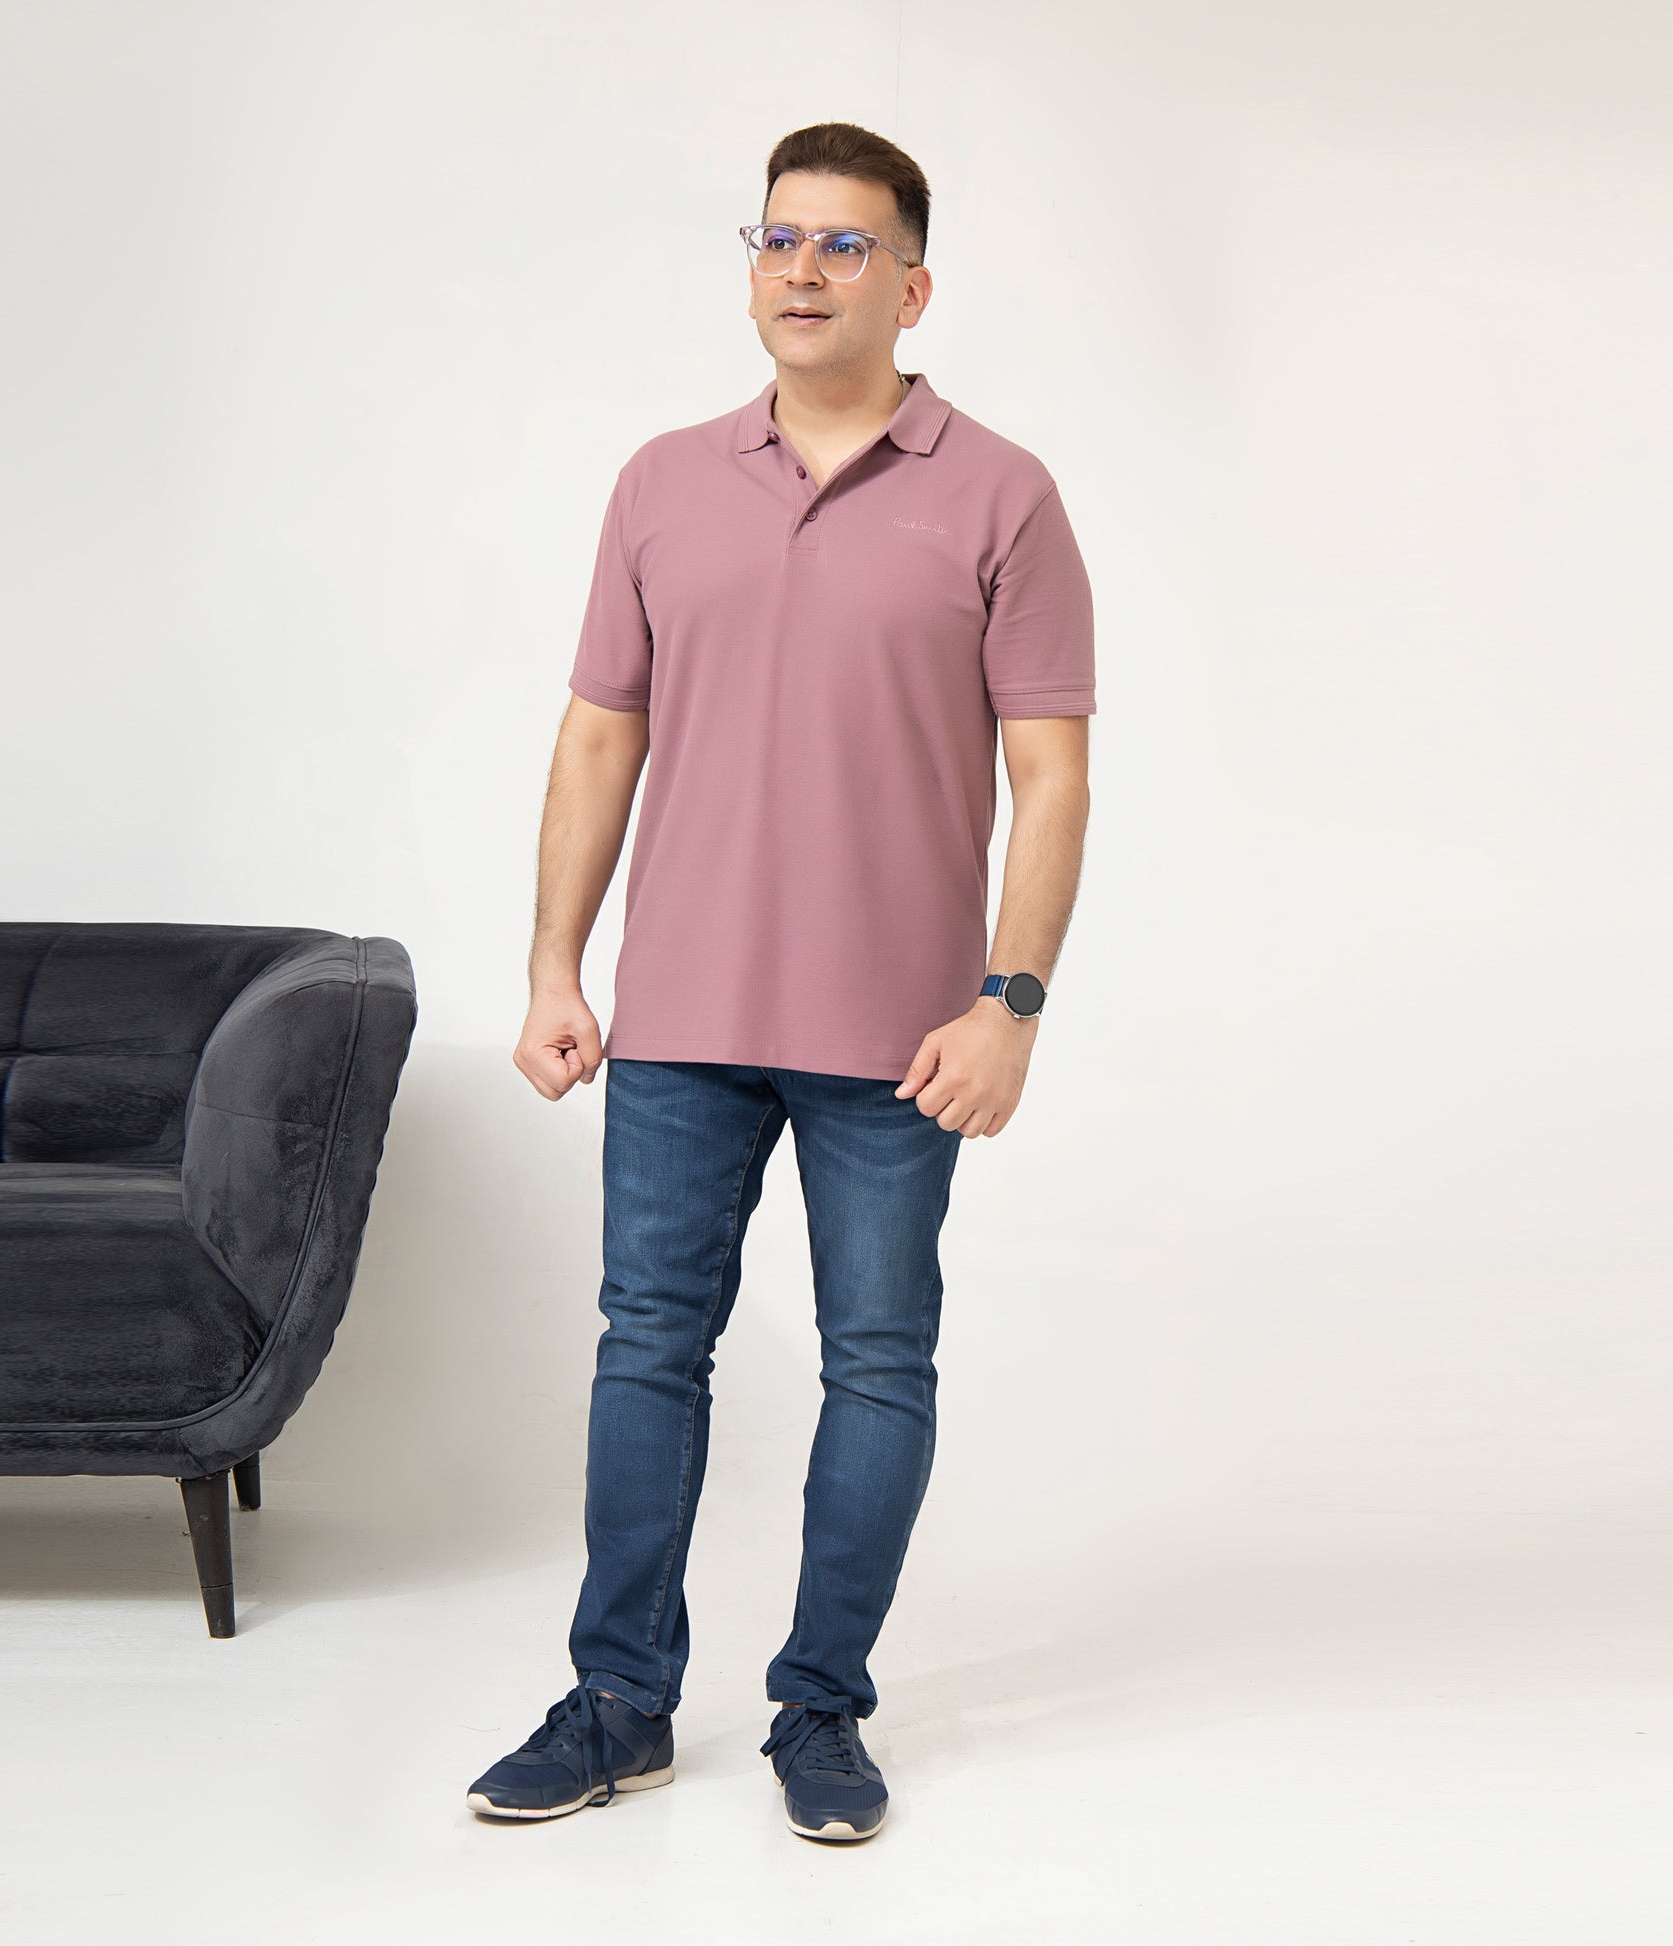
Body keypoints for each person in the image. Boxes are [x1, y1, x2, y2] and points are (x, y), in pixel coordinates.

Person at [466, 120, 1095, 1843]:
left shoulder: (1002, 494)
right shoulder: (662, 481)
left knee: (876, 1361)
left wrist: (1009, 1004)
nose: (801, 270)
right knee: (646, 1349)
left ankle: (821, 1705)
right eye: (776, 238)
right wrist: (552, 965)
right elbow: (600, 734)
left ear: (912, 286)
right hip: (678, 1017)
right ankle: (618, 1701)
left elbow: (1050, 775)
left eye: (841, 244)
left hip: (902, 1037)